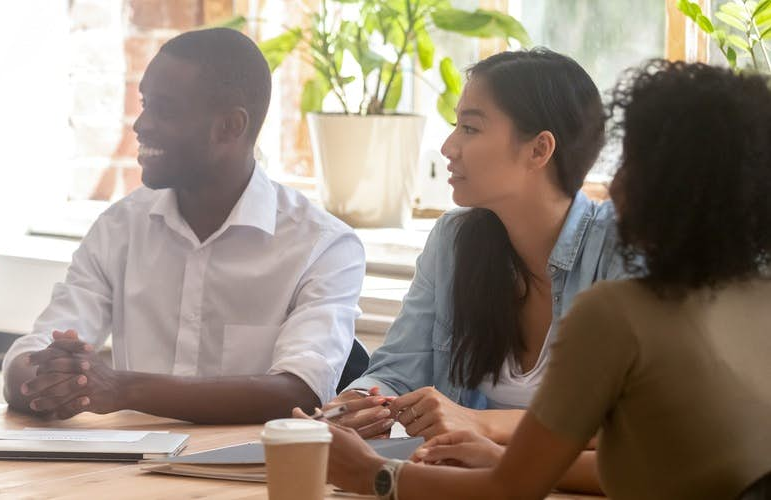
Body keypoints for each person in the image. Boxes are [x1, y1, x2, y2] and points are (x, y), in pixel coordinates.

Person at [315, 59, 771, 500]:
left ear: (540, 149)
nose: (612, 186)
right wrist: (357, 406)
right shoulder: (753, 301)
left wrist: (377, 474)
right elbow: (645, 464)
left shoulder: (620, 305)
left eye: (631, 164)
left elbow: (516, 485)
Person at [0, 28, 366, 425]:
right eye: (144, 104)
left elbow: (300, 392)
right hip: (130, 475)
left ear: (230, 127)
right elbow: (31, 357)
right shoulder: (119, 228)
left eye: (165, 110)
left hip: (252, 476)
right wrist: (50, 376)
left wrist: (122, 389)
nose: (141, 125)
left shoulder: (323, 246)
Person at [324, 49, 625, 442]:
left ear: (539, 149)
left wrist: (475, 422)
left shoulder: (620, 249)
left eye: (470, 128)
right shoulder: (453, 240)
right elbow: (398, 370)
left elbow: (633, 424)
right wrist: (355, 405)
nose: (448, 147)